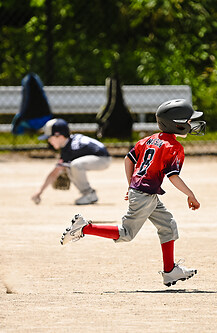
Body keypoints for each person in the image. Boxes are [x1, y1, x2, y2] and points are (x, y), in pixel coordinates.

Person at [60, 99, 206, 286]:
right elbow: (173, 176)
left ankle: (170, 271)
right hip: (145, 195)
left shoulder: (148, 139)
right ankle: (83, 228)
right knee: (126, 233)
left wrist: (132, 185)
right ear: (176, 124)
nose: (190, 124)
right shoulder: (173, 147)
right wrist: (190, 194)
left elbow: (128, 160)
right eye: (187, 121)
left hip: (146, 193)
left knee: (168, 226)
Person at [32, 118, 111, 205]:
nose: (49, 141)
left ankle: (89, 194)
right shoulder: (70, 143)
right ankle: (88, 194)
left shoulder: (70, 148)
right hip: (100, 157)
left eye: (50, 137)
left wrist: (39, 192)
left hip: (102, 159)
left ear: (60, 136)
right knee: (70, 166)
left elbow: (54, 173)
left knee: (75, 165)